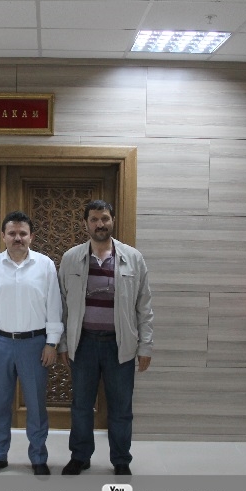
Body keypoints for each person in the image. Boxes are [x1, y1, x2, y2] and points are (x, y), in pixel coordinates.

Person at [57, 199, 154, 476]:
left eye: (105, 218)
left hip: (119, 345)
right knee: (81, 406)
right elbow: (61, 305)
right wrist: (63, 343)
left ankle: (121, 460)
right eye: (94, 219)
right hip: (83, 344)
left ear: (112, 220)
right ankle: (80, 456)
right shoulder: (71, 258)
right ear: (85, 224)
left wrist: (145, 346)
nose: (100, 224)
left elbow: (144, 306)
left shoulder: (133, 258)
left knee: (121, 407)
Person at [0, 210, 63, 476]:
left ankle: (38, 457)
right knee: (0, 404)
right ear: (3, 236)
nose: (17, 238)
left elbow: (54, 306)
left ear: (31, 236)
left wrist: (52, 343)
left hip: (35, 345)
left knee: (36, 405)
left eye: (23, 233)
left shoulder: (45, 265)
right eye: (12, 233)